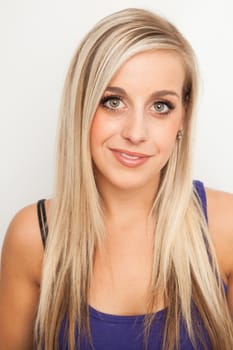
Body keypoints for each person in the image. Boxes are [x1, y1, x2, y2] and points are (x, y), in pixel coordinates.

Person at [0, 7, 233, 350]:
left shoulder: (225, 227)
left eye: (161, 106)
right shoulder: (34, 237)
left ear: (183, 118)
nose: (136, 133)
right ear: (82, 107)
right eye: (113, 102)